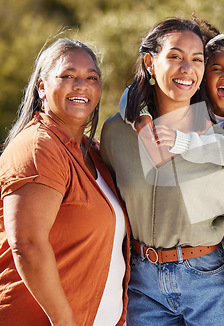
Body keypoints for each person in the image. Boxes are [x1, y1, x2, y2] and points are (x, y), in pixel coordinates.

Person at [100, 18, 224, 326]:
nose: (187, 68)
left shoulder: (213, 138)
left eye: (197, 59)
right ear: (150, 62)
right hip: (141, 285)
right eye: (175, 56)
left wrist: (223, 256)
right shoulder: (116, 132)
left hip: (207, 281)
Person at [0, 38, 130, 326]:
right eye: (68, 76)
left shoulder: (93, 152)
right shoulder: (38, 148)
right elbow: (28, 244)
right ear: (42, 87)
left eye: (91, 77)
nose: (81, 85)